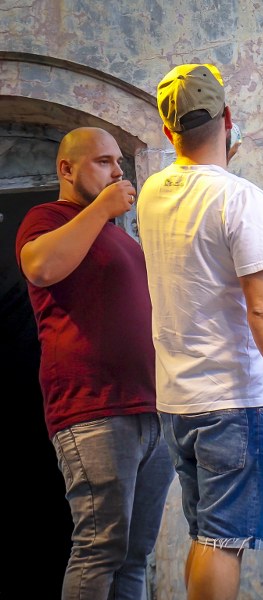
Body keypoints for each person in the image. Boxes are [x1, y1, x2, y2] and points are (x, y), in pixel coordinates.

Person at [136, 63, 263, 600]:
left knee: (205, 536)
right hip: (231, 401)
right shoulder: (240, 197)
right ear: (229, 117)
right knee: (222, 540)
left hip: (178, 401)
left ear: (167, 130)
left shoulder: (151, 192)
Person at [15, 127, 175, 600]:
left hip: (151, 409)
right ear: (66, 169)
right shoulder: (47, 218)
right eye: (103, 162)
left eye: (118, 162)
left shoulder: (118, 238)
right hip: (95, 408)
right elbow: (41, 267)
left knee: (135, 555)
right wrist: (102, 208)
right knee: (100, 549)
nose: (117, 172)